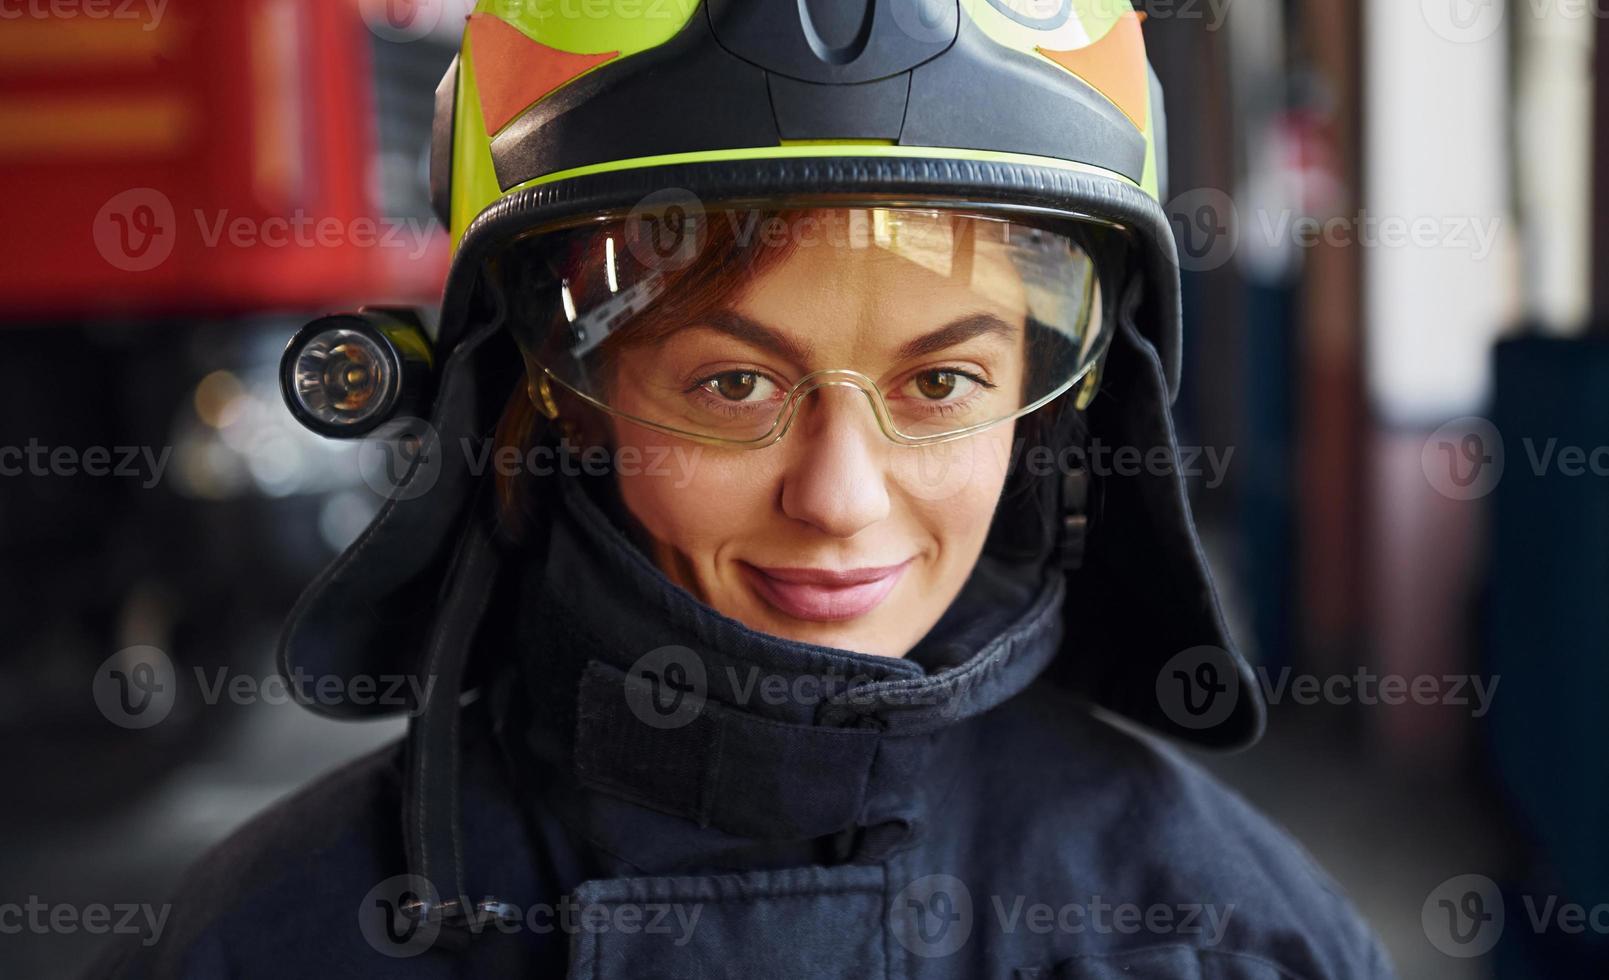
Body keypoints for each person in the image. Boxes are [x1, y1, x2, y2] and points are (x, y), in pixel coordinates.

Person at [96, 2, 1396, 977]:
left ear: (1070, 414)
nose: (837, 497)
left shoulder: (1219, 933)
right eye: (729, 385)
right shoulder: (279, 937)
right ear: (535, 393)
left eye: (940, 385)